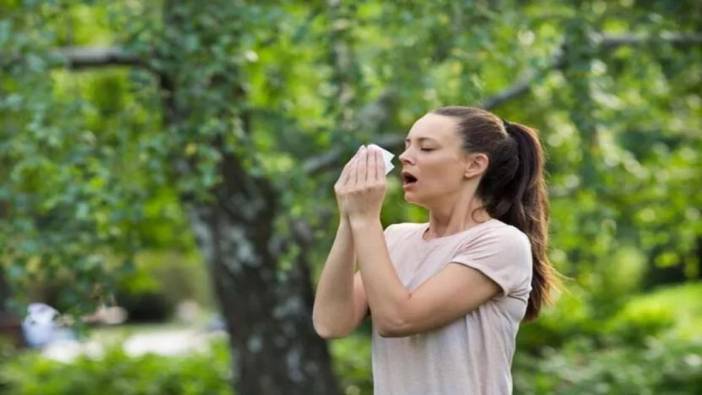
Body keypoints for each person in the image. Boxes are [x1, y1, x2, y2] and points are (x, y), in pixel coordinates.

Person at [312, 106, 561, 395]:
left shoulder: (501, 243)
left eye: (426, 148)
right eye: (407, 145)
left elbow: (398, 318)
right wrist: (349, 219)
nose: (405, 156)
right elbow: (331, 323)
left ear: (474, 165)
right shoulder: (395, 239)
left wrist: (367, 220)